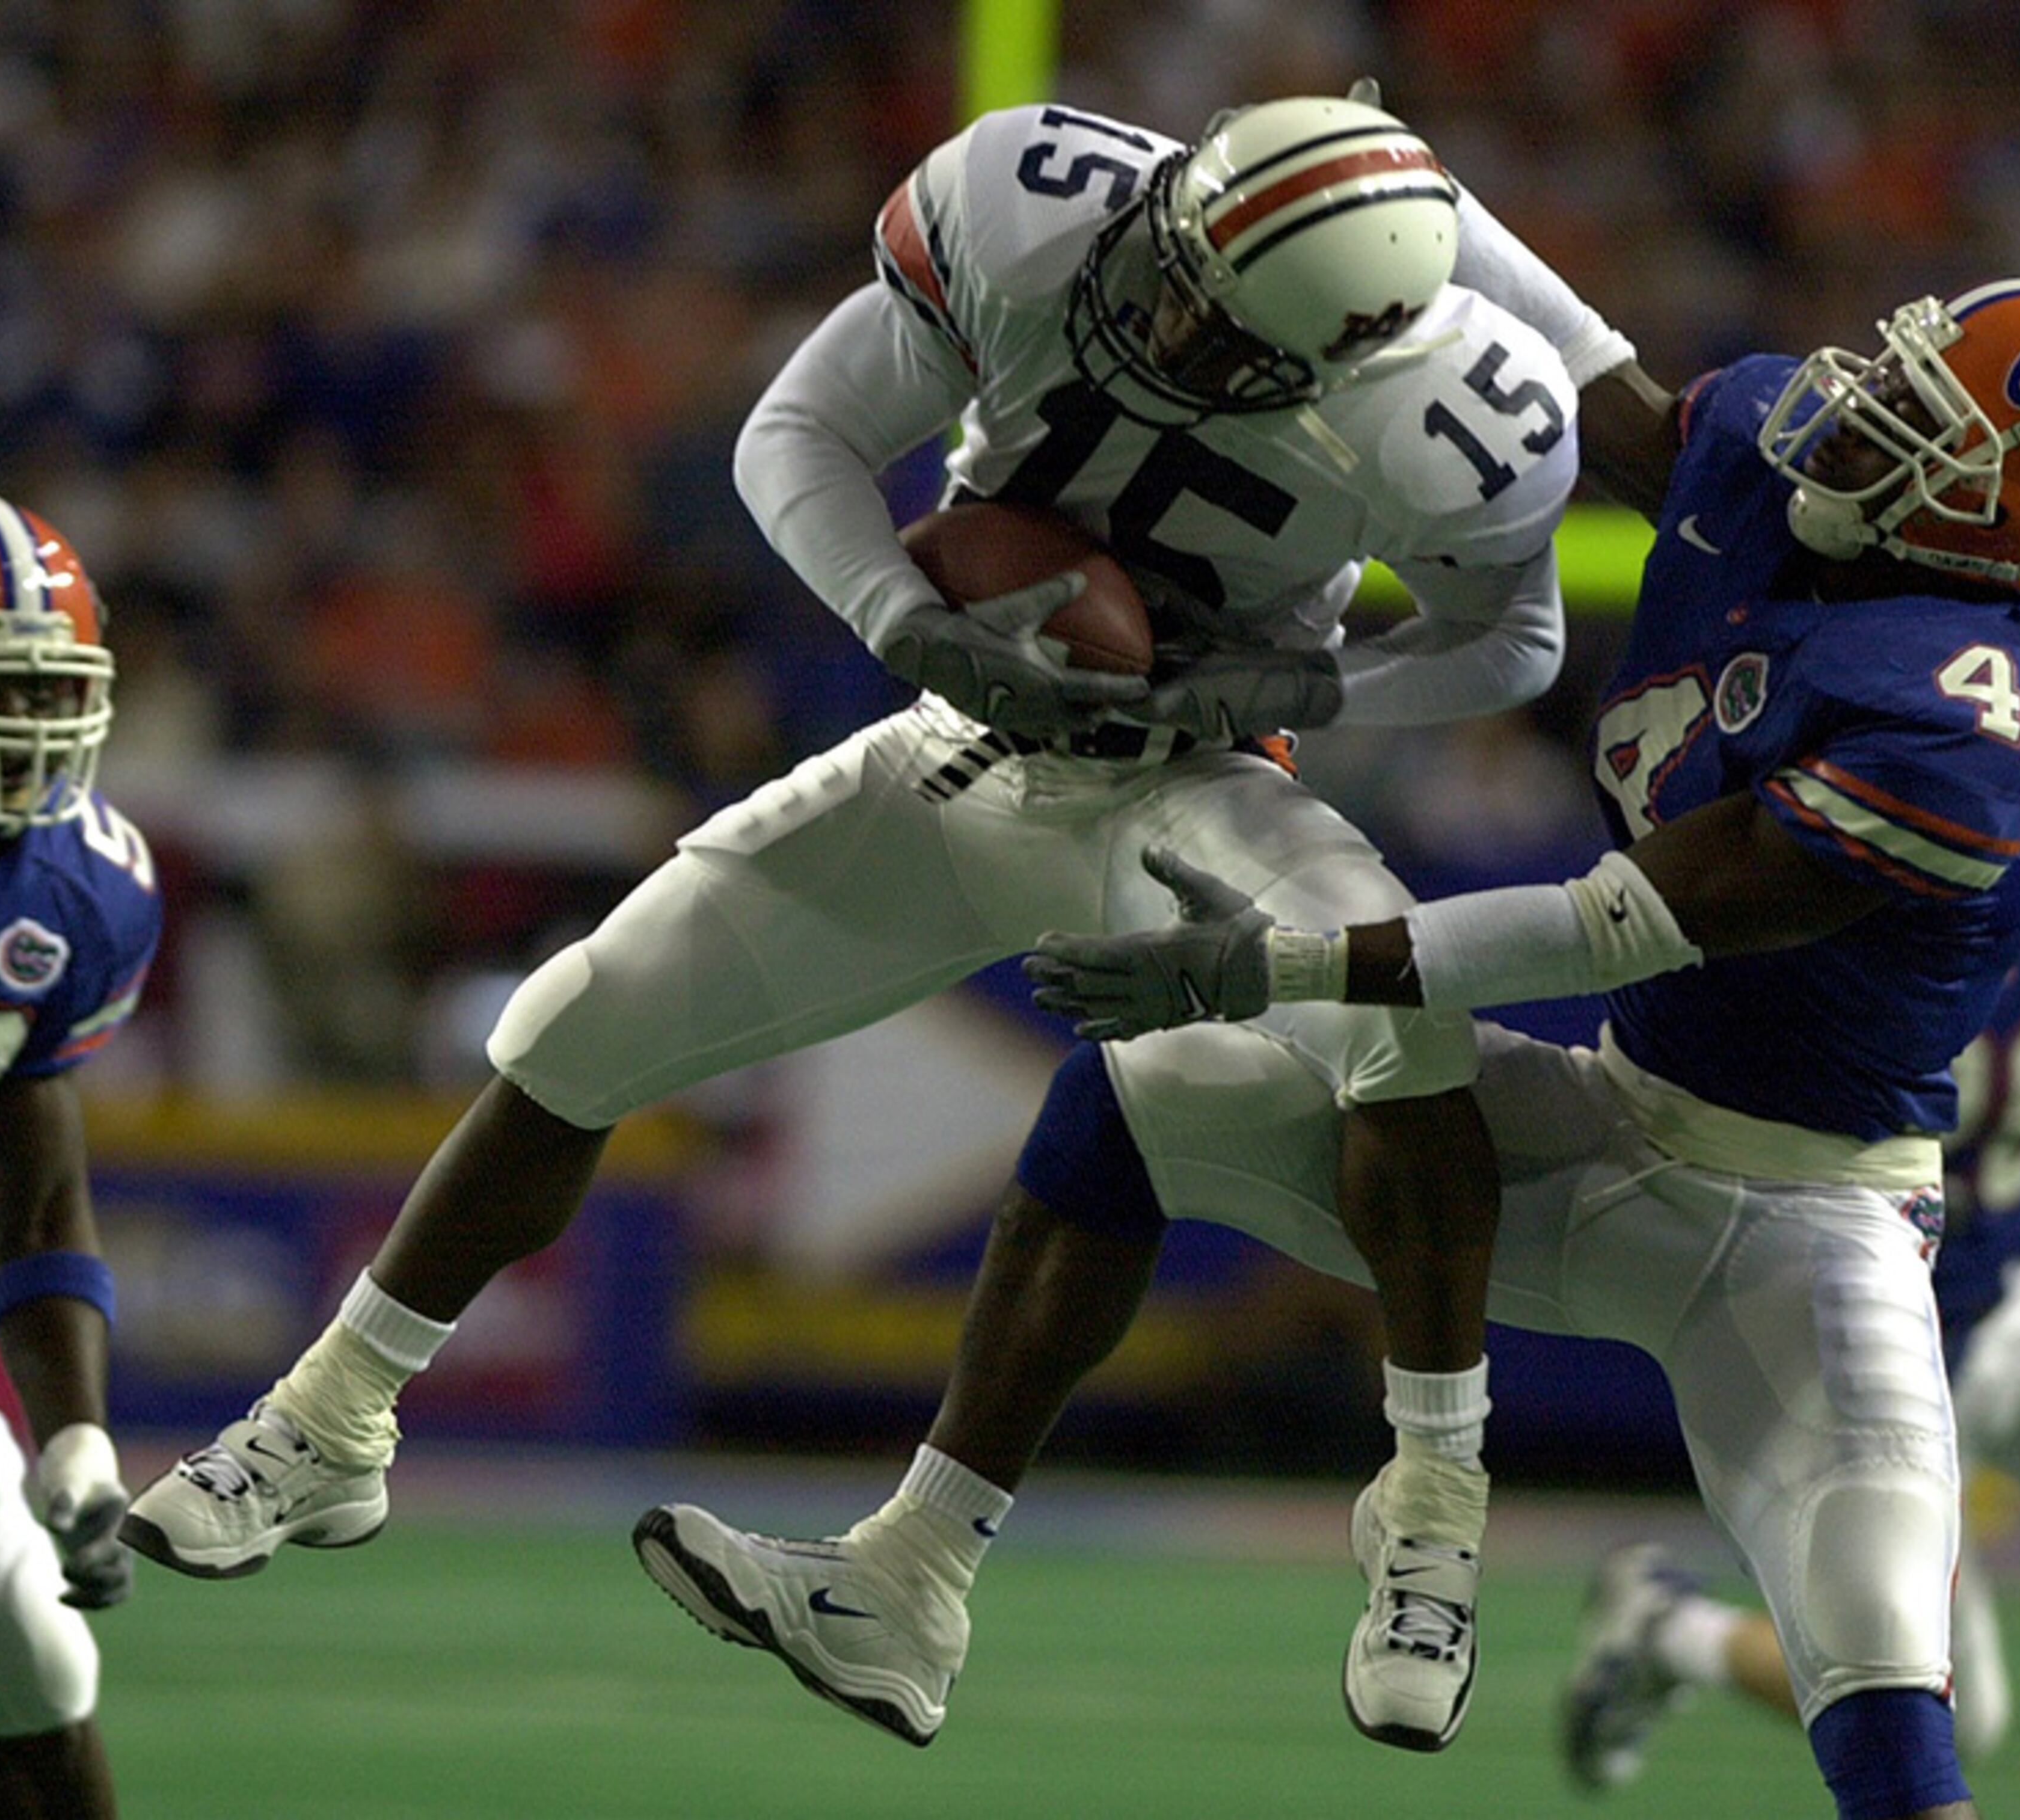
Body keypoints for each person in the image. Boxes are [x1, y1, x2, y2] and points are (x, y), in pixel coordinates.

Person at [123, 90, 1636, 1751]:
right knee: (579, 1020)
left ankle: (1431, 1504)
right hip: (960, 746)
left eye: (1217, 327)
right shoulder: (1043, 211)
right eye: (1177, 268)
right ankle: (332, 1419)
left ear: (1343, 352)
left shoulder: (1456, 405)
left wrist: (1295, 683)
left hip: (1191, 784)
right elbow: (799, 433)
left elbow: (1515, 643)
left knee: (1399, 1006)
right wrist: (907, 621)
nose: (1161, 316)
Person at [885, 275, 2020, 1820]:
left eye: (1926, 422)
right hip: (1615, 1120)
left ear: (1993, 521)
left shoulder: (1975, 722)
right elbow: (1588, 356)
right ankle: (914, 1568)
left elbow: (1618, 923)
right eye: (1902, 373)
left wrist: (1281, 961)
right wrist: (1381, 209)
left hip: (1815, 1226)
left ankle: (1477, 1529)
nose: (1869, 408)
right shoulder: (1776, 470)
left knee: (1890, 1700)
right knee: (1133, 1098)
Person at [1558, 805, 2020, 1789]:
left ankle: (1664, 1622)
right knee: (1951, 1715)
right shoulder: (1837, 880)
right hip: (1888, 1340)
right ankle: (1670, 1626)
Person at [0, 491, 159, 1820]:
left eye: (48, 690)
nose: (26, 729)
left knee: (22, 1646)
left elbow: (32, 1192)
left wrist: (75, 1432)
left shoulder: (70, 891)